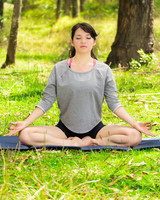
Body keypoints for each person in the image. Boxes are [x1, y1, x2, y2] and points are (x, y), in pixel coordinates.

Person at [7, 22, 155, 147]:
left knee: (134, 136)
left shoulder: (104, 70)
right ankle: (70, 143)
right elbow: (46, 101)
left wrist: (135, 124)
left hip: (97, 129)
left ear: (94, 42)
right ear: (72, 42)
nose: (83, 41)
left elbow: (114, 104)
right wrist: (25, 123)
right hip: (63, 130)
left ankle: (94, 142)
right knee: (25, 134)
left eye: (88, 37)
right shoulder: (59, 68)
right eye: (78, 38)